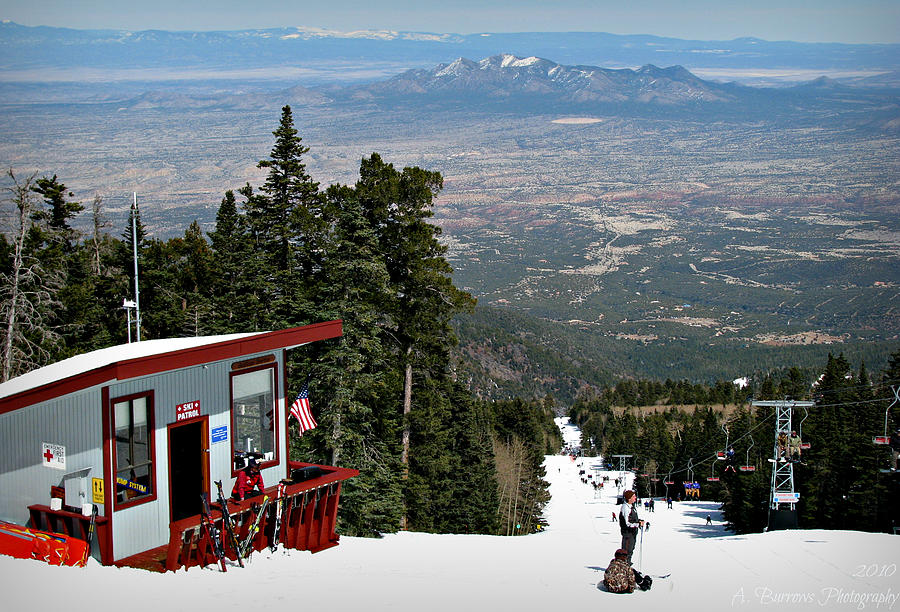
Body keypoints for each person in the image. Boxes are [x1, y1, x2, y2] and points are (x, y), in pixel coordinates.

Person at [619, 489, 644, 566]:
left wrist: (639, 521)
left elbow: (632, 519)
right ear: (629, 498)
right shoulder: (625, 508)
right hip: (628, 533)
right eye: (633, 496)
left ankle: (627, 565)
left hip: (632, 533)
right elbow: (628, 523)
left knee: (630, 550)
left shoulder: (631, 507)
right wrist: (638, 524)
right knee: (626, 551)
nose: (635, 497)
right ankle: (624, 567)